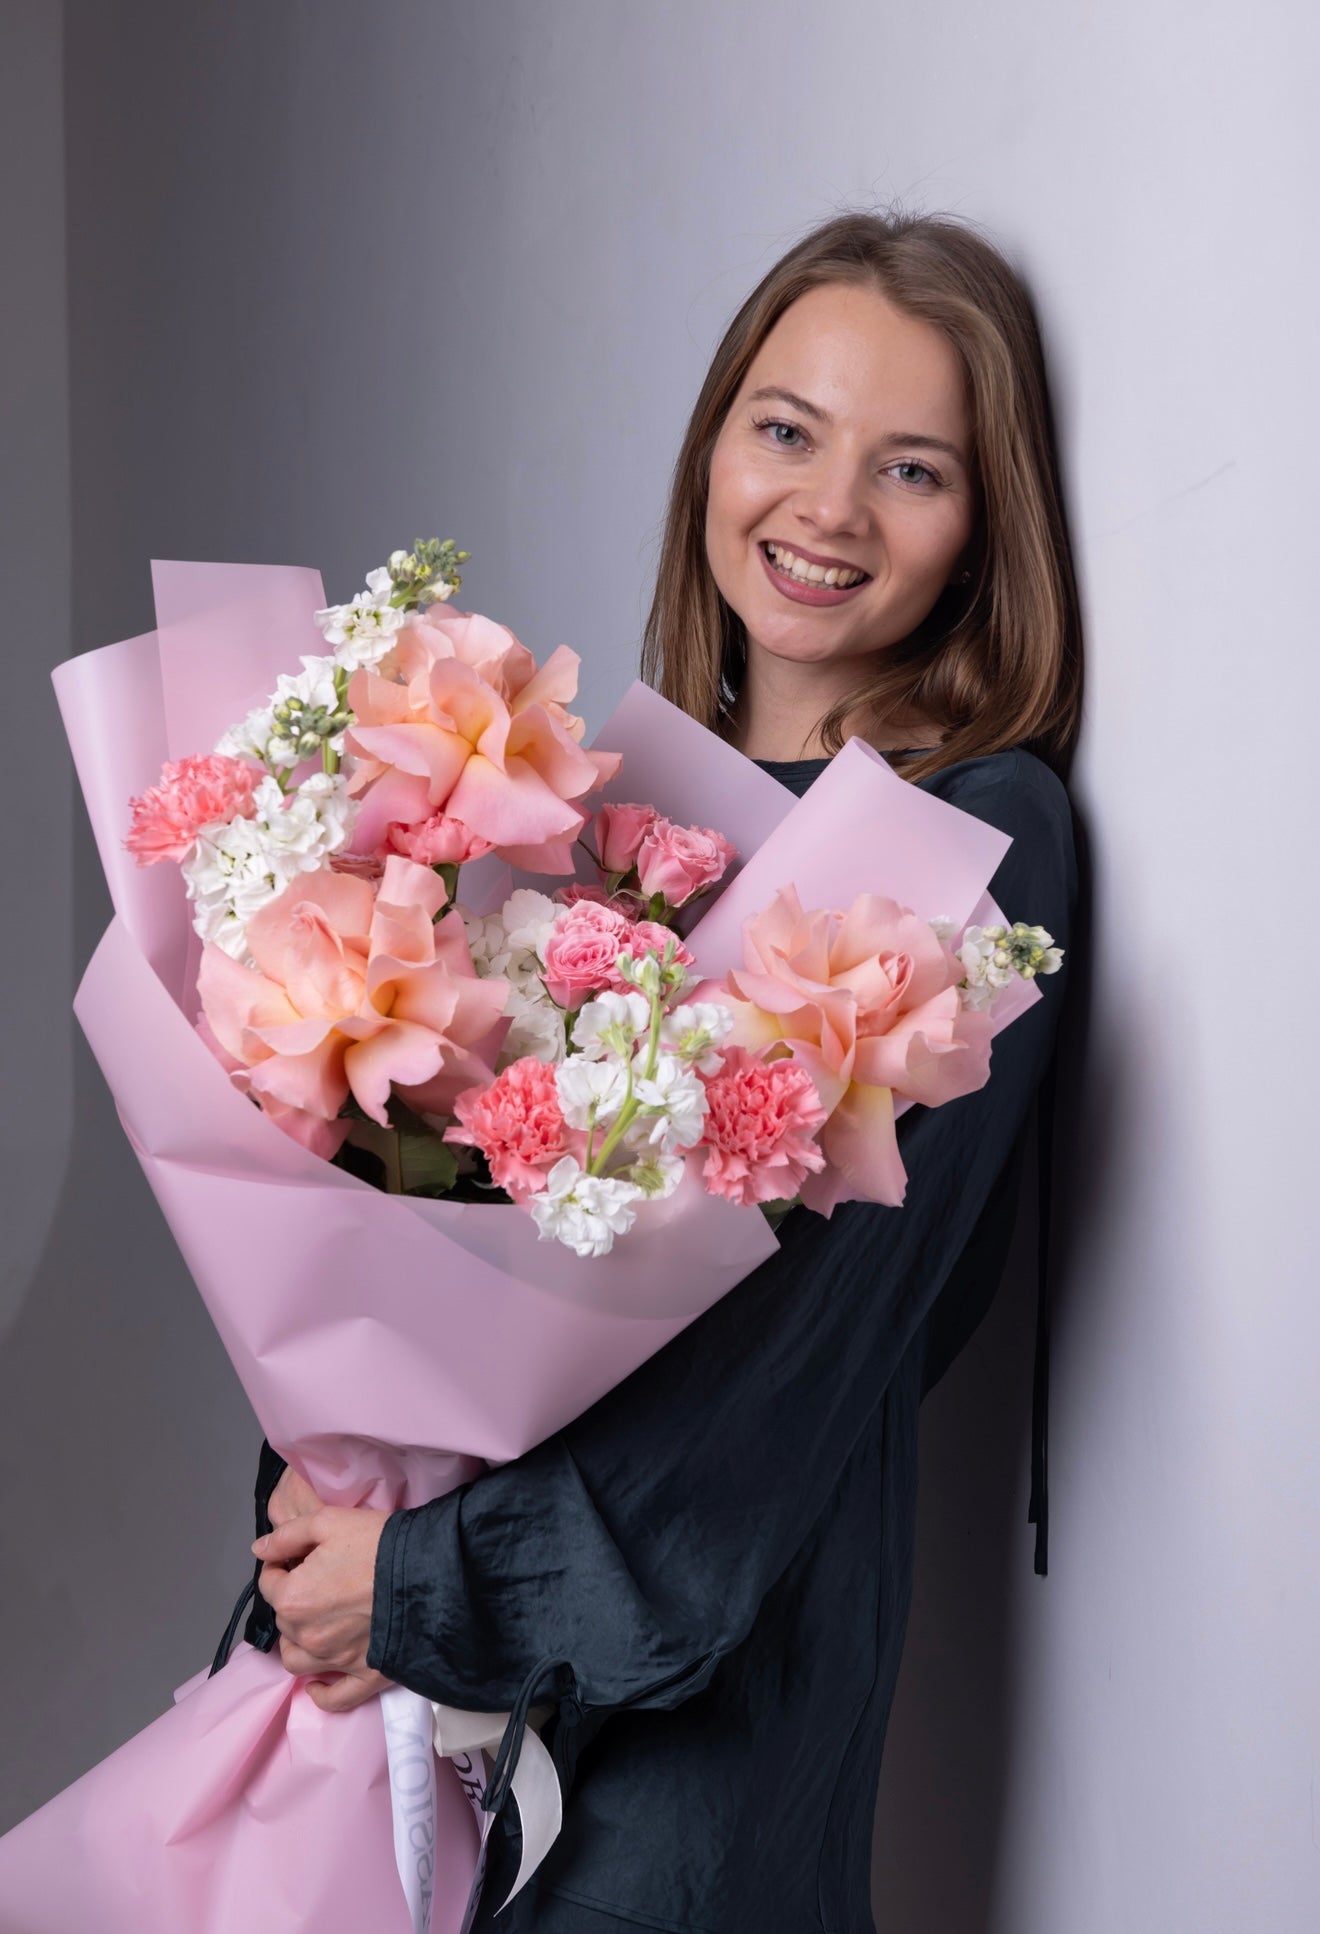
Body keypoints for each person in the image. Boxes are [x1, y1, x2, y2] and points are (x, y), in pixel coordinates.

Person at [244, 208, 1083, 1933]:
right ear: (713, 449)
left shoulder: (974, 843)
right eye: (787, 430)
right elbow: (431, 1225)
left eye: (910, 468)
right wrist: (334, 1470)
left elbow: (795, 1365)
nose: (829, 508)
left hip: (684, 1754)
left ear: (982, 528)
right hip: (408, 1687)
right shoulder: (603, 818)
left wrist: (422, 1578)